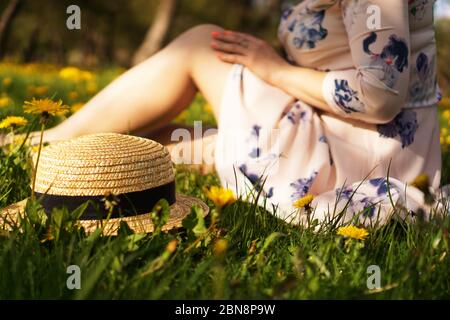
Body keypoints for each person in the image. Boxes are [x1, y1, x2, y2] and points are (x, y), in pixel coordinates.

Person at [6, 0, 447, 225]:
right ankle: (75, 162)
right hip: (341, 135)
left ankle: (43, 146)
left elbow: (380, 96)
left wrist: (271, 70)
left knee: (202, 44)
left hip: (363, 155)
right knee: (177, 141)